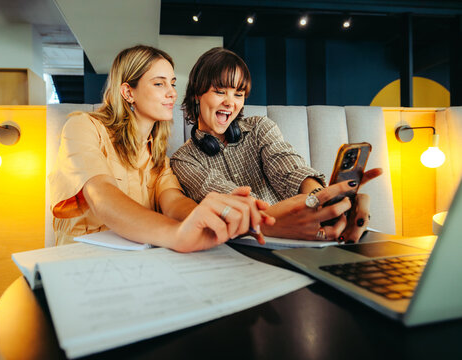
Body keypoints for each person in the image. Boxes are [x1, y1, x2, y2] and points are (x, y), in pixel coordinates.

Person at [48, 45, 273, 253]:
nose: (172, 93)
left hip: (138, 266)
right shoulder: (82, 127)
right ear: (128, 92)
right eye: (159, 83)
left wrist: (210, 215)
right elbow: (101, 196)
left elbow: (174, 202)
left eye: (172, 83)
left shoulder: (159, 159)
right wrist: (175, 234)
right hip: (80, 261)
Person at [170, 47, 382, 243]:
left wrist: (324, 201)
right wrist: (288, 219)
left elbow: (291, 170)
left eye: (239, 94)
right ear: (197, 93)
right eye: (220, 91)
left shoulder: (260, 128)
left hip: (307, 237)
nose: (230, 102)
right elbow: (233, 205)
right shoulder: (184, 160)